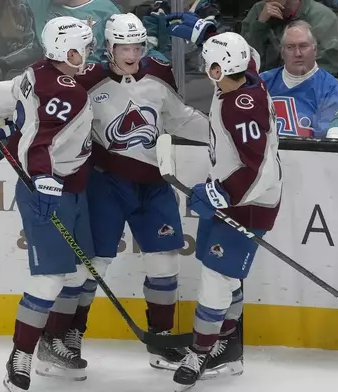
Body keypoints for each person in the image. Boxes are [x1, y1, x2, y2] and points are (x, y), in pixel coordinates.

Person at [35, 12, 211, 380]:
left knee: (164, 261)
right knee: (92, 265)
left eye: (137, 46)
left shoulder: (160, 75)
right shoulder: (87, 80)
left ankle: (162, 339)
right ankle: (63, 337)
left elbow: (180, 118)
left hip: (154, 185)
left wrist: (221, 134)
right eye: (123, 47)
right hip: (106, 184)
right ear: (108, 47)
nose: (132, 55)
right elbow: (49, 112)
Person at [0, 16, 95, 392]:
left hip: (73, 187)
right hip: (48, 190)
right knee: (50, 277)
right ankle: (20, 355)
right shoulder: (67, 92)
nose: (88, 54)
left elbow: (16, 112)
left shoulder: (36, 71)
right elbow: (40, 141)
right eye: (83, 48)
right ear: (67, 51)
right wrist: (42, 177)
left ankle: (53, 346)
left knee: (78, 273)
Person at [165, 13, 282, 391]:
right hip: (231, 195)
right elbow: (244, 58)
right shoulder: (242, 79)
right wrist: (208, 34)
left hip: (249, 202)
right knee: (221, 271)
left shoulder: (241, 106)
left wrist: (222, 194)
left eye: (209, 63)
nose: (204, 68)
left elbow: (257, 165)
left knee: (216, 278)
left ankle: (201, 351)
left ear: (220, 69)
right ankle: (227, 347)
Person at [260, 20, 338, 138]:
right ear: (282, 52)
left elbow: (327, 146)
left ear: (315, 49)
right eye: (290, 47)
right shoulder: (261, 83)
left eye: (303, 46)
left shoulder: (333, 90)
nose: (297, 53)